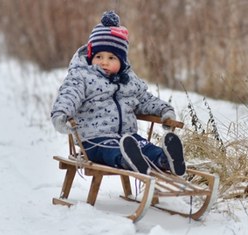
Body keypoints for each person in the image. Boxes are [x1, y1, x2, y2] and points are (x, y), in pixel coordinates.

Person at [50, 11, 185, 176]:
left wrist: (165, 111)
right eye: (98, 56)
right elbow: (69, 94)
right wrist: (61, 114)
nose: (104, 62)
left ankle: (165, 159)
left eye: (112, 58)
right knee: (111, 150)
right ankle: (126, 160)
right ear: (91, 56)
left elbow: (145, 99)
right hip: (94, 140)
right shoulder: (82, 76)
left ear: (121, 62)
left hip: (128, 137)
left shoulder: (128, 81)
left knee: (145, 147)